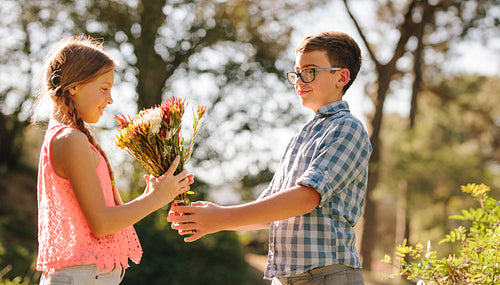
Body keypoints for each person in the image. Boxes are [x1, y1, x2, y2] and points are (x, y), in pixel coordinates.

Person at [168, 31, 372, 285]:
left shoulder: (347, 128)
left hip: (327, 275)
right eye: (296, 72)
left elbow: (307, 197)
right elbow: (270, 212)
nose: (299, 80)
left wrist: (221, 216)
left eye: (310, 71)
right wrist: (212, 220)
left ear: (341, 76)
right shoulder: (300, 137)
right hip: (285, 278)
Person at [32, 35, 193, 285]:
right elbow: (102, 223)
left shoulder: (69, 137)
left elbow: (100, 214)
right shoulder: (71, 140)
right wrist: (156, 198)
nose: (110, 100)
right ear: (74, 86)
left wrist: (149, 194)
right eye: (104, 88)